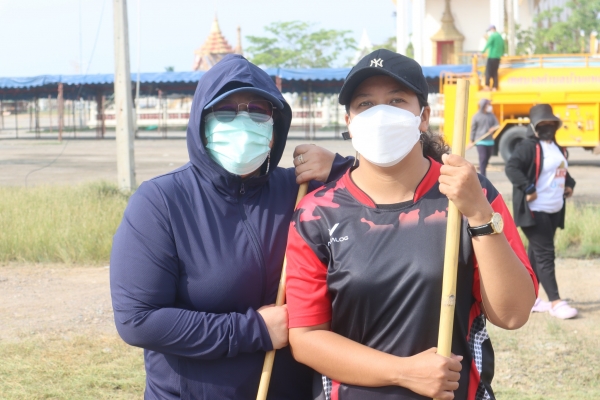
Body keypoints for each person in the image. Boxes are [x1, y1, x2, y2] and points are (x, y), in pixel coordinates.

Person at [284, 49, 538, 400]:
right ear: (349, 122)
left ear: (423, 117)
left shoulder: (468, 192)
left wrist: (479, 215)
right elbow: (307, 337)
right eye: (365, 104)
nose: (380, 114)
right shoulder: (317, 213)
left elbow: (513, 314)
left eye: (396, 100)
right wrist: (404, 373)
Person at [109, 54, 354, 399]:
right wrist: (253, 330)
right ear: (202, 124)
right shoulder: (161, 201)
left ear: (274, 129)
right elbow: (138, 320)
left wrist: (344, 169)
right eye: (225, 111)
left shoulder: (301, 191)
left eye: (257, 111)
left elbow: (392, 197)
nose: (243, 122)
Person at [505, 104, 577, 320]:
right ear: (534, 127)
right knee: (546, 254)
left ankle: (531, 299)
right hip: (535, 210)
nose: (548, 127)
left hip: (554, 209)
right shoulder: (528, 147)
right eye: (543, 124)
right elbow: (512, 168)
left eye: (551, 124)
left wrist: (570, 184)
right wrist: (528, 188)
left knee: (536, 255)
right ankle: (555, 302)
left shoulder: (558, 148)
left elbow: (562, 170)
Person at [468, 99, 499, 177]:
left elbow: (497, 124)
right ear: (483, 106)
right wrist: (471, 141)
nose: (489, 106)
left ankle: (481, 167)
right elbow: (473, 129)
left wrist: (493, 128)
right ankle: (483, 176)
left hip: (490, 141)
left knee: (486, 159)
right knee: (483, 157)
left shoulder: (491, 115)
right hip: (480, 141)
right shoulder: (476, 116)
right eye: (487, 105)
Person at [482, 25, 504, 91]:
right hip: (497, 57)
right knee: (495, 72)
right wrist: (501, 54)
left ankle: (487, 86)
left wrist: (482, 51)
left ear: (492, 29)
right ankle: (495, 87)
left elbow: (488, 44)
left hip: (492, 56)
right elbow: (503, 46)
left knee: (488, 71)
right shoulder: (500, 36)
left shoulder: (493, 36)